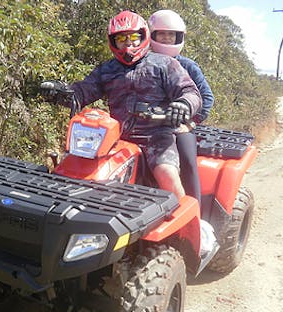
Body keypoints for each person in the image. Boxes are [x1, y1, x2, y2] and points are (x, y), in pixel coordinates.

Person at [68, 10, 202, 199]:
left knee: (167, 175)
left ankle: (188, 226)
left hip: (157, 137)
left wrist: (184, 104)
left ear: (143, 37)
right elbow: (84, 91)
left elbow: (190, 92)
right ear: (113, 41)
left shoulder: (164, 64)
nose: (128, 43)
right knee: (80, 172)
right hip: (115, 139)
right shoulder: (107, 69)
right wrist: (63, 93)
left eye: (133, 37)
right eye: (121, 39)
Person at [148, 9, 215, 207]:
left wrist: (191, 123)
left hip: (179, 126)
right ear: (152, 35)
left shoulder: (187, 65)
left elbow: (206, 97)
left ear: (178, 37)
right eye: (162, 34)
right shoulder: (143, 64)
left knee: (187, 161)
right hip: (148, 126)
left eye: (171, 35)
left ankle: (196, 214)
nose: (167, 39)